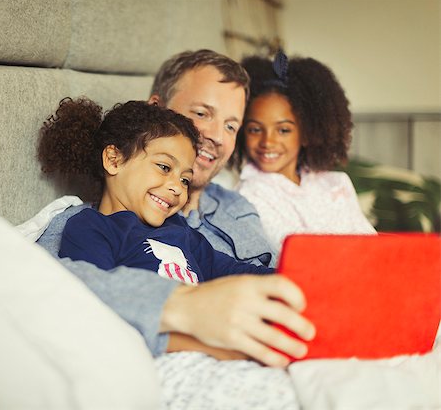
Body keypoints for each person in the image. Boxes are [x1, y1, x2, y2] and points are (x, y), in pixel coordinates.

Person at [36, 49, 315, 367]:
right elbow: (70, 294)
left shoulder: (224, 213)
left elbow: (234, 269)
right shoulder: (86, 224)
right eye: (202, 113)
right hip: (175, 354)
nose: (214, 136)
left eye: (231, 126)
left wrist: (304, 280)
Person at [39, 97, 272, 283]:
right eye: (164, 167)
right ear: (114, 160)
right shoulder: (91, 227)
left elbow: (231, 271)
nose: (177, 187)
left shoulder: (181, 231)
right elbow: (101, 292)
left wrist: (289, 278)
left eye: (185, 180)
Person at [231, 51, 376, 252]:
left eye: (283, 130)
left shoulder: (336, 185)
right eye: (255, 129)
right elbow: (300, 255)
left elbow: (374, 247)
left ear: (307, 133)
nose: (268, 141)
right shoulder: (248, 196)